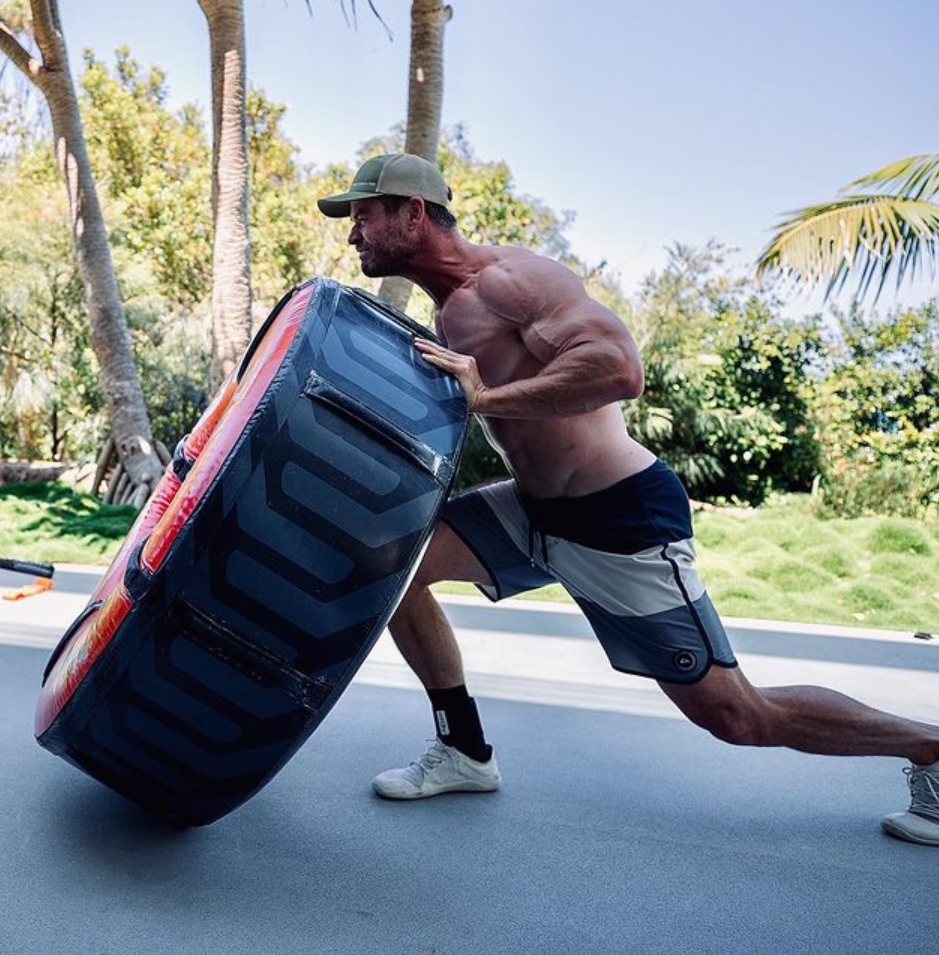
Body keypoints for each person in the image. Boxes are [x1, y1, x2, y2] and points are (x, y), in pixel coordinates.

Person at [317, 152, 939, 846]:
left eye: (364, 216)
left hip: (617, 514)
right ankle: (465, 748)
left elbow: (619, 368)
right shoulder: (448, 312)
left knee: (736, 715)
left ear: (414, 212)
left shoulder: (513, 281)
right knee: (392, 561)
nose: (353, 235)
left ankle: (931, 746)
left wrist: (488, 395)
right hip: (534, 509)